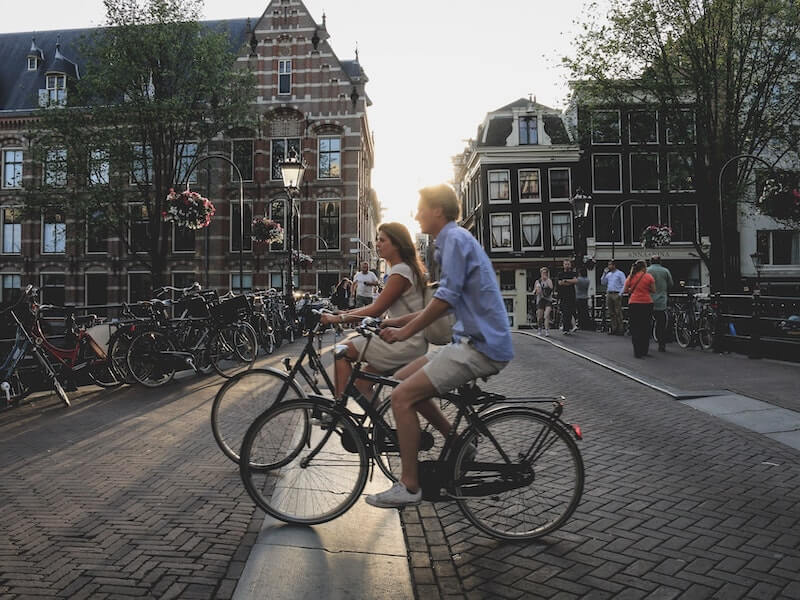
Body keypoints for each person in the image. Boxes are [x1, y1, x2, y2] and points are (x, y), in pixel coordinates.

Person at [370, 184, 513, 508]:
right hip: (470, 341)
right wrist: (399, 324)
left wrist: (406, 333)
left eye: (421, 208)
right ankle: (460, 440)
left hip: (482, 346)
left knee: (401, 396)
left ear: (437, 210)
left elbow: (445, 299)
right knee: (401, 380)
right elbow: (444, 300)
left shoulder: (453, 240)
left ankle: (408, 486)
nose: (416, 214)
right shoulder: (448, 241)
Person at [320, 224, 428, 399]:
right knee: (362, 385)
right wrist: (345, 312)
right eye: (377, 239)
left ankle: (339, 411)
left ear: (397, 244)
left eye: (382, 240)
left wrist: (336, 319)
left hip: (403, 341)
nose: (377, 244)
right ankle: (379, 427)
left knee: (341, 351)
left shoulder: (400, 271)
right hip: (409, 339)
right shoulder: (407, 268)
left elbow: (377, 308)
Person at [624, 259, 656, 358]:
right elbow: (654, 290)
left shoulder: (631, 277)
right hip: (647, 303)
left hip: (634, 303)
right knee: (645, 327)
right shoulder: (649, 277)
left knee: (635, 327)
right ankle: (644, 350)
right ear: (644, 267)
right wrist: (646, 289)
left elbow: (625, 290)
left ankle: (637, 352)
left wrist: (633, 290)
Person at [647, 255, 674, 352]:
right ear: (660, 262)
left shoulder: (647, 271)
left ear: (651, 261)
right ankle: (661, 344)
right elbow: (671, 284)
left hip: (648, 300)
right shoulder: (665, 271)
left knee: (646, 322)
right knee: (661, 323)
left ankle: (645, 343)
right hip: (661, 301)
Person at [601, 260, 626, 335]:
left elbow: (624, 283)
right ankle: (614, 328)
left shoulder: (620, 273)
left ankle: (620, 329)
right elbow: (603, 282)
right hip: (609, 293)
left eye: (610, 265)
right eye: (608, 265)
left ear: (614, 265)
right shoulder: (608, 274)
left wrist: (620, 294)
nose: (609, 266)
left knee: (618, 312)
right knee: (611, 312)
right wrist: (604, 273)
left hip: (616, 293)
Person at [556, 259, 578, 334]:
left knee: (570, 312)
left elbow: (575, 281)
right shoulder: (560, 274)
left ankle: (567, 328)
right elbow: (560, 283)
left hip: (571, 295)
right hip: (563, 295)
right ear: (563, 265)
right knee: (565, 312)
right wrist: (569, 282)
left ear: (570, 265)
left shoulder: (573, 273)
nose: (567, 265)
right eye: (565, 264)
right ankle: (566, 329)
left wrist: (565, 281)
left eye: (568, 264)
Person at [533, 266, 554, 336]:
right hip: (540, 300)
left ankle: (547, 330)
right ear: (541, 273)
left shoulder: (549, 280)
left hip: (548, 300)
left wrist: (547, 280)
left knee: (546, 315)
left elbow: (551, 288)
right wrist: (536, 290)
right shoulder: (537, 281)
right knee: (539, 316)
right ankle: (539, 328)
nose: (544, 274)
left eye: (546, 273)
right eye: (543, 273)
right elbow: (534, 291)